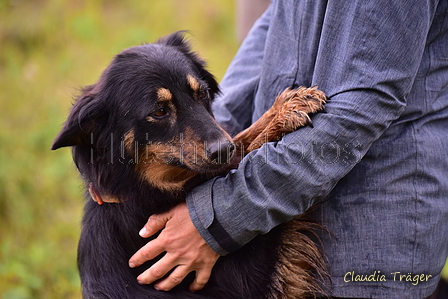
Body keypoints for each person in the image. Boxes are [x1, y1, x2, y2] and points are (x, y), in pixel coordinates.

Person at [128, 0, 448, 298]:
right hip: (270, 214)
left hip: (368, 235)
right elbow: (279, 23)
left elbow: (357, 112)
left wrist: (216, 217)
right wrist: (214, 141)